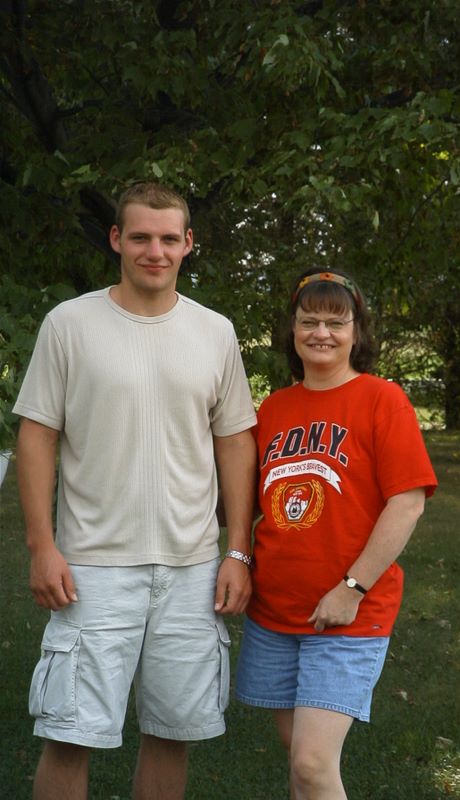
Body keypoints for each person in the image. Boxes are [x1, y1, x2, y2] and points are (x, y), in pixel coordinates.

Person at [13, 181, 257, 800]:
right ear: (117, 238)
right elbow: (37, 438)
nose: (156, 250)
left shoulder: (215, 332)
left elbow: (234, 442)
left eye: (169, 238)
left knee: (171, 731)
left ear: (188, 244)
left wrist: (237, 550)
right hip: (92, 568)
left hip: (193, 569)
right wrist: (43, 546)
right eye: (142, 236)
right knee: (71, 735)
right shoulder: (69, 325)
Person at [235, 268, 438, 800]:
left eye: (335, 321)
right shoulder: (273, 409)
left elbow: (408, 502)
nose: (321, 332)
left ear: (357, 332)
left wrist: (352, 587)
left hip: (349, 613)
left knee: (311, 763)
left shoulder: (381, 399)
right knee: (302, 763)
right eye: (308, 321)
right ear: (292, 331)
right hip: (275, 612)